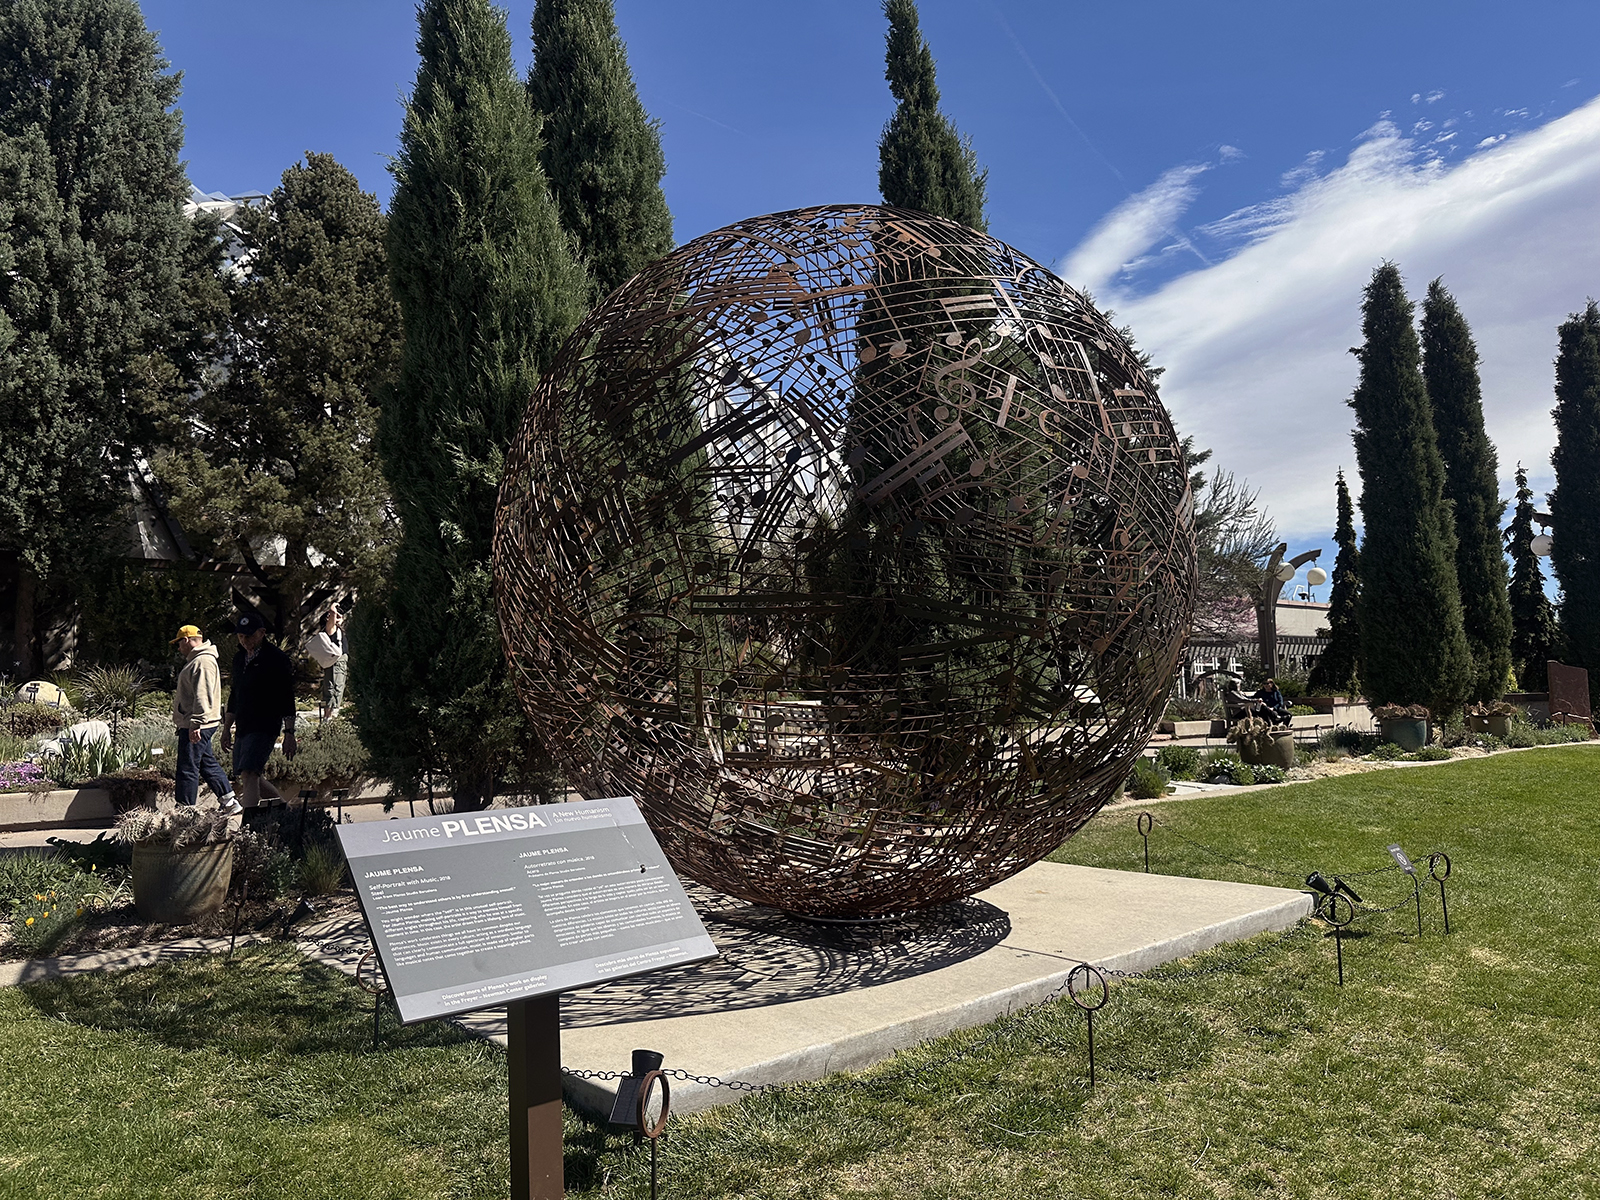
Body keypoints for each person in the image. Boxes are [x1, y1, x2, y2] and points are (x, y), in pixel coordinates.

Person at [219, 611, 298, 808]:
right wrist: (226, 728)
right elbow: (235, 695)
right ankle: (285, 810)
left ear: (262, 633)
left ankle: (249, 826)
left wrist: (289, 733)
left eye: (249, 635)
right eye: (241, 636)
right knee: (248, 776)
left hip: (265, 725)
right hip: (244, 725)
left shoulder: (276, 659)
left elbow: (287, 697)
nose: (245, 640)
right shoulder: (239, 659)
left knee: (250, 773)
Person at [170, 624, 242, 814]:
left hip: (197, 723)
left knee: (187, 767)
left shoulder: (202, 662)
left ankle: (185, 812)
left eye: (179, 643)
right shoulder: (200, 660)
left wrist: (196, 723)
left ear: (186, 640)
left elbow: (203, 695)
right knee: (205, 762)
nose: (178, 648)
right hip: (200, 722)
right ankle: (229, 801)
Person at [304, 604, 347, 721]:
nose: (338, 617)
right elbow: (333, 614)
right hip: (337, 662)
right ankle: (328, 717)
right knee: (333, 687)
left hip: (339, 662)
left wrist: (338, 615)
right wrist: (334, 606)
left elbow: (339, 617)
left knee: (337, 687)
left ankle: (329, 715)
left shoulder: (337, 630)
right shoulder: (330, 629)